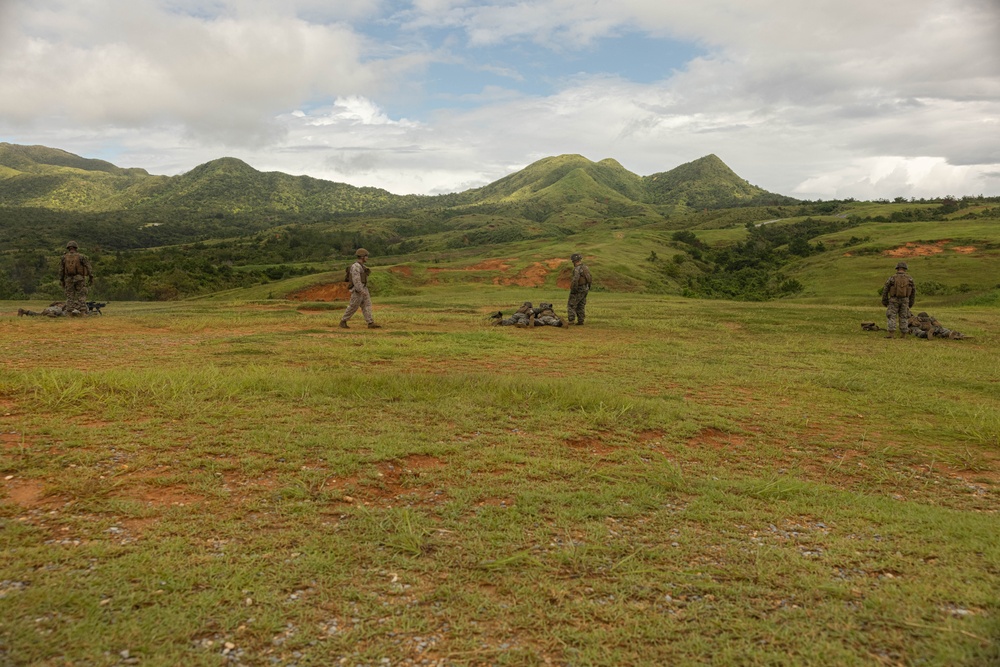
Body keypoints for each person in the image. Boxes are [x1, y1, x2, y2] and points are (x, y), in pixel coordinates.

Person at [339, 248, 381, 329]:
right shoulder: (356, 267)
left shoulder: (362, 266)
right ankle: (343, 321)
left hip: (363, 288)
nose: (367, 258)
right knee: (353, 306)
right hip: (357, 290)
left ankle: (370, 323)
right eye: (366, 256)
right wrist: (361, 290)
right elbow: (356, 280)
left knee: (367, 305)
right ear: (362, 257)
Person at [880, 261, 914, 339]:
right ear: (905, 269)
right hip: (905, 300)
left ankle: (891, 334)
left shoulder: (892, 278)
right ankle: (903, 334)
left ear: (897, 268)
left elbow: (886, 289)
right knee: (904, 316)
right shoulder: (910, 279)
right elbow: (913, 291)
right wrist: (911, 302)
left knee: (891, 316)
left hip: (893, 300)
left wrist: (884, 300)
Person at [59, 241, 94, 317]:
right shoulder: (81, 256)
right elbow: (89, 267)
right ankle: (83, 312)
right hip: (79, 278)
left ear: (68, 248)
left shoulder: (64, 257)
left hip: (68, 279)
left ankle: (69, 313)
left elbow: (61, 270)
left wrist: (62, 280)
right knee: (81, 294)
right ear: (76, 248)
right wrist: (91, 277)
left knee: (70, 296)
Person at [567, 253, 592, 326]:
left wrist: (573, 289)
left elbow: (575, 280)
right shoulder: (585, 267)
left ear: (574, 261)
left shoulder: (577, 269)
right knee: (581, 304)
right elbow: (589, 278)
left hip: (579, 288)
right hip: (585, 288)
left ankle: (571, 320)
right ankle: (581, 320)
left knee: (571, 304)